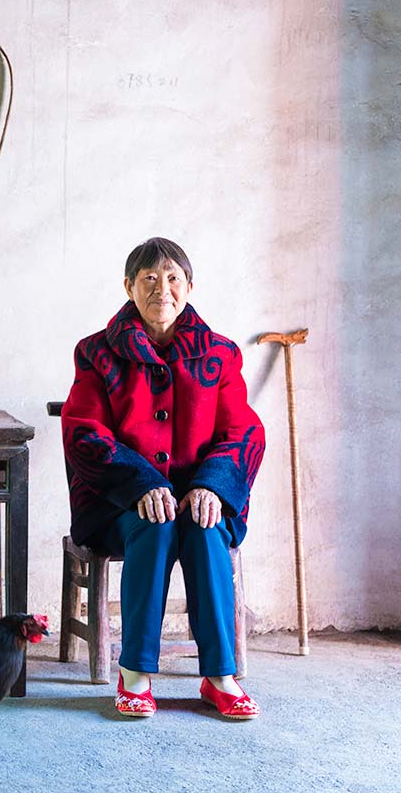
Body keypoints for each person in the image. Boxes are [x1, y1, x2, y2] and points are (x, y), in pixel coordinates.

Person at [61, 237, 264, 720]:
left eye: (173, 278)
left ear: (189, 286)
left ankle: (219, 677)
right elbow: (83, 430)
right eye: (149, 278)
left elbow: (244, 428)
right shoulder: (96, 353)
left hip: (202, 498)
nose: (162, 288)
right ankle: (134, 676)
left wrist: (212, 485)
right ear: (129, 286)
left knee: (203, 525)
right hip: (119, 504)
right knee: (154, 524)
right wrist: (141, 484)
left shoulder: (221, 353)